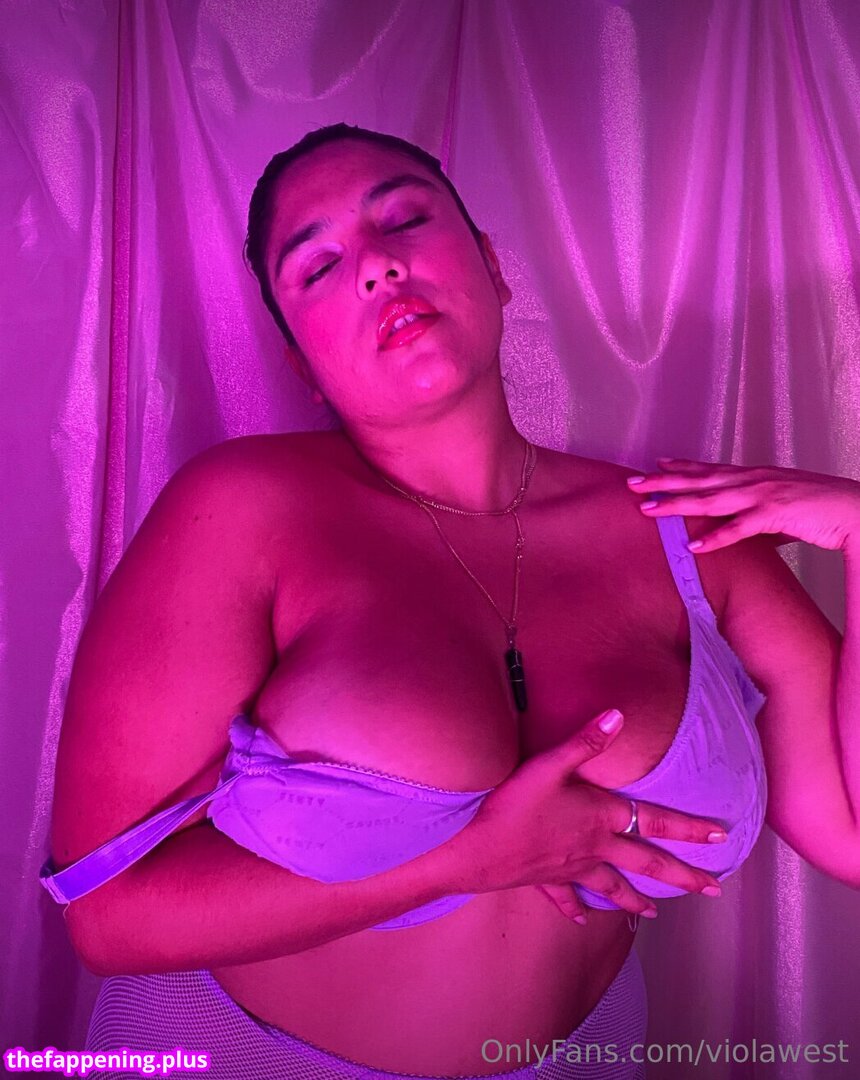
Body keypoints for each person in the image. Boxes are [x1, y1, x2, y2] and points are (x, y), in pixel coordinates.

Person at [40, 123, 767, 1079]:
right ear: (301, 363)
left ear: (492, 266)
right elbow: (105, 919)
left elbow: (842, 822)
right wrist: (461, 863)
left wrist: (849, 517)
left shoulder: (667, 521)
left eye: (405, 219)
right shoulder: (243, 509)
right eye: (318, 267)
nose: (378, 265)